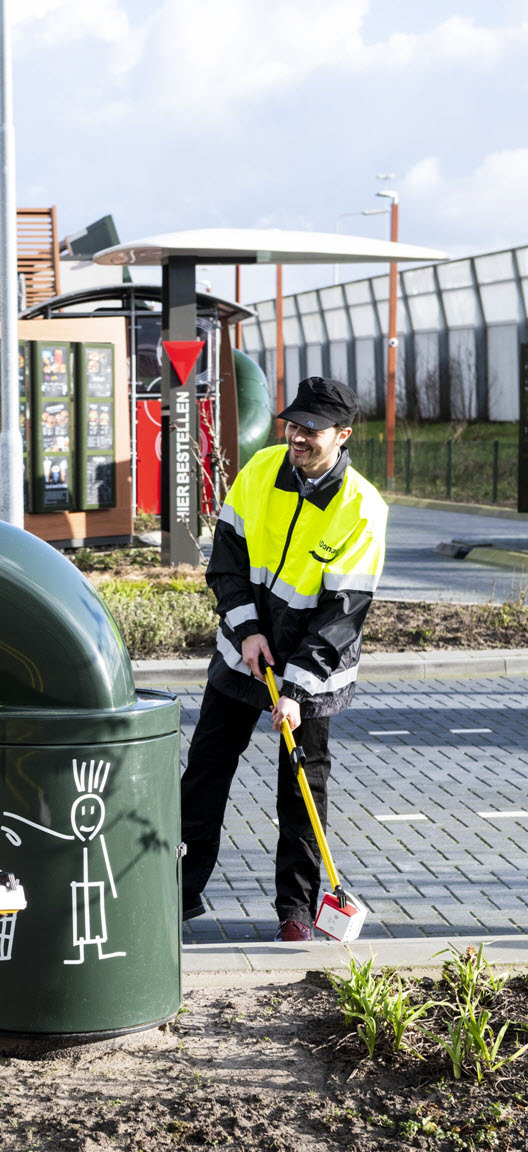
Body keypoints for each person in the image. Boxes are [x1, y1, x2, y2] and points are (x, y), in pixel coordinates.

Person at [180, 376, 387, 941]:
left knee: (301, 786)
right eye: (293, 424)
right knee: (204, 772)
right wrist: (245, 631)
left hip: (311, 670)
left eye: (312, 430)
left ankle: (296, 913)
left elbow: (343, 612)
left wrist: (294, 690)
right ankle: (176, 891)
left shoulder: (362, 509)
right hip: (242, 655)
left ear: (342, 436)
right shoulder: (260, 472)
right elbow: (225, 561)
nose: (297, 436)